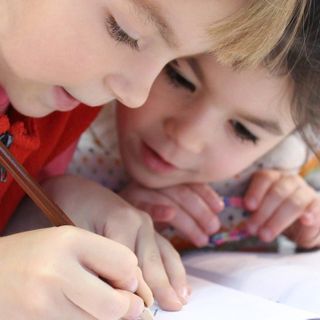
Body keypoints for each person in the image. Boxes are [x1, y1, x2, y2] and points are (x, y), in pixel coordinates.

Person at [0, 0, 308, 318]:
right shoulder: (64, 95)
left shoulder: (61, 107)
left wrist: (39, 216)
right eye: (125, 33)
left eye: (243, 131)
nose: (135, 96)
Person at [69, 1, 320, 252]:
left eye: (243, 131)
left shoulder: (275, 171)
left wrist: (306, 226)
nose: (186, 138)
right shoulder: (68, 107)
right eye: (179, 79)